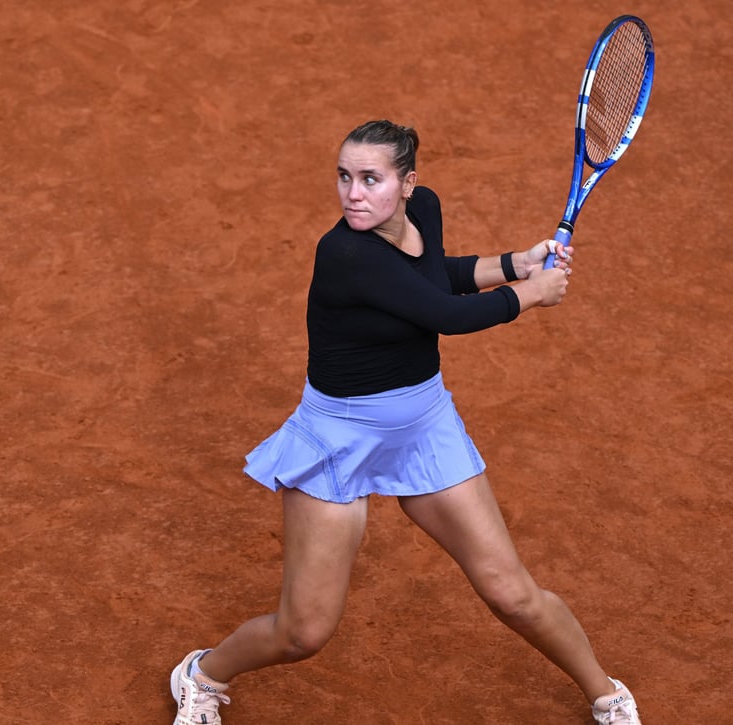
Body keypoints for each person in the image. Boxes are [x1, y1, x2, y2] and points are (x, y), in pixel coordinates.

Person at [169, 120, 641, 724]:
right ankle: (202, 674)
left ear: (409, 183)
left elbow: (432, 278)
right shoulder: (344, 252)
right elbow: (444, 314)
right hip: (339, 438)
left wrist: (514, 262)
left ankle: (607, 694)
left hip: (425, 428)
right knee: (303, 632)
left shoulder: (427, 212)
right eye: (344, 177)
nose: (353, 194)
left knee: (511, 591)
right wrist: (533, 293)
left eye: (371, 179)